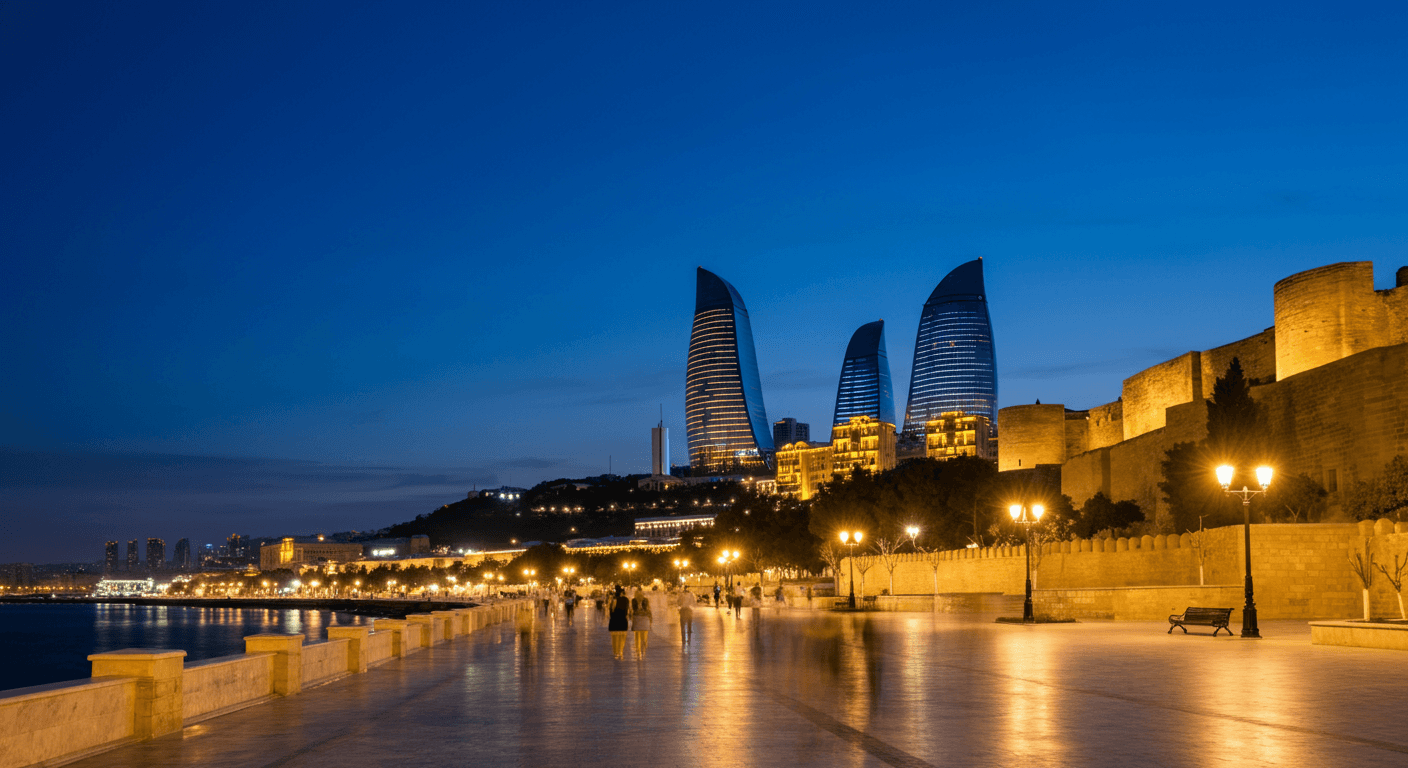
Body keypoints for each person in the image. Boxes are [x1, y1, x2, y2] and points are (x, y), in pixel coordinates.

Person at [608, 586, 630, 659]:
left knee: (614, 639)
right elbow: (628, 611)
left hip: (614, 621)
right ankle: (621, 652)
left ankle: (616, 653)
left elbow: (610, 611)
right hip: (623, 621)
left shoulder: (613, 600)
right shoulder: (626, 600)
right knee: (622, 638)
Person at [631, 589, 653, 656]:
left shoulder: (634, 600)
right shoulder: (645, 600)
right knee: (644, 636)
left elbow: (633, 610)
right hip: (645, 620)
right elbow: (649, 609)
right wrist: (650, 620)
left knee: (637, 636)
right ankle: (643, 650)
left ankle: (638, 650)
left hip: (637, 619)